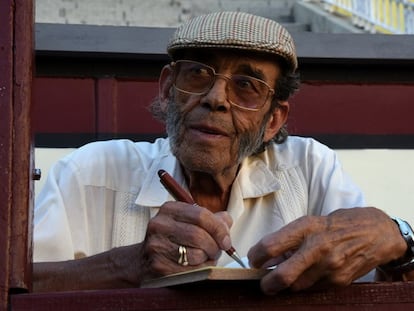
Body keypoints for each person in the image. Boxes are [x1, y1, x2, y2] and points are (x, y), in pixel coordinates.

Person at [33, 11, 414, 294]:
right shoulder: (92, 171)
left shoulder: (311, 168)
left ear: (273, 119)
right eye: (198, 74)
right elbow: (20, 285)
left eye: (246, 85)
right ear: (168, 90)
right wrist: (129, 264)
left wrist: (398, 240)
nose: (215, 99)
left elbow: (376, 277)